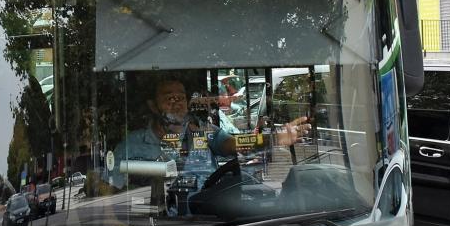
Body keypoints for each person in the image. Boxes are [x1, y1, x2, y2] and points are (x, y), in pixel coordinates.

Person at [109, 76, 310, 190]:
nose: (177, 103)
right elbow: (110, 192)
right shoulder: (131, 146)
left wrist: (275, 138)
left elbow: (232, 144)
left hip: (207, 222)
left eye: (181, 98)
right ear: (152, 105)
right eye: (169, 98)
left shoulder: (202, 131)